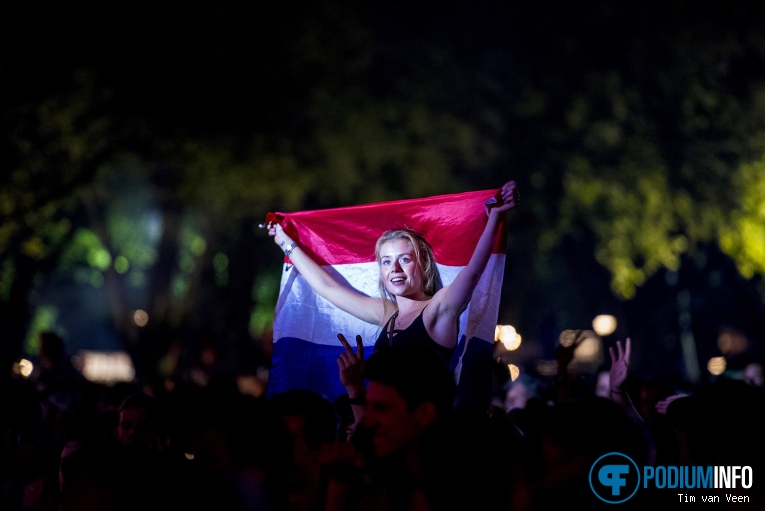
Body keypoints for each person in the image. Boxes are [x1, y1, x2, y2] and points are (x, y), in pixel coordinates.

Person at [267, 181, 519, 371]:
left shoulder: (438, 308)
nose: (394, 269)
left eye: (405, 259)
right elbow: (327, 287)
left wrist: (494, 217)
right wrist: (285, 242)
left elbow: (473, 273)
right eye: (386, 262)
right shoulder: (388, 313)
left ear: (424, 266)